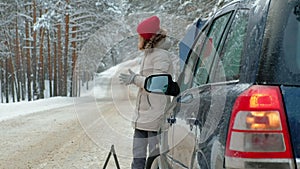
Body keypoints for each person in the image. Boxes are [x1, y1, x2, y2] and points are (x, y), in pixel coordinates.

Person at [119, 15, 174, 169]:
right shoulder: (149, 54)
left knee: (154, 158)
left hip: (155, 114)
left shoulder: (161, 55)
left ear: (147, 37)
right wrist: (136, 78)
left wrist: (135, 79)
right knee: (138, 156)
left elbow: (158, 84)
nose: (139, 40)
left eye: (140, 37)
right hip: (143, 115)